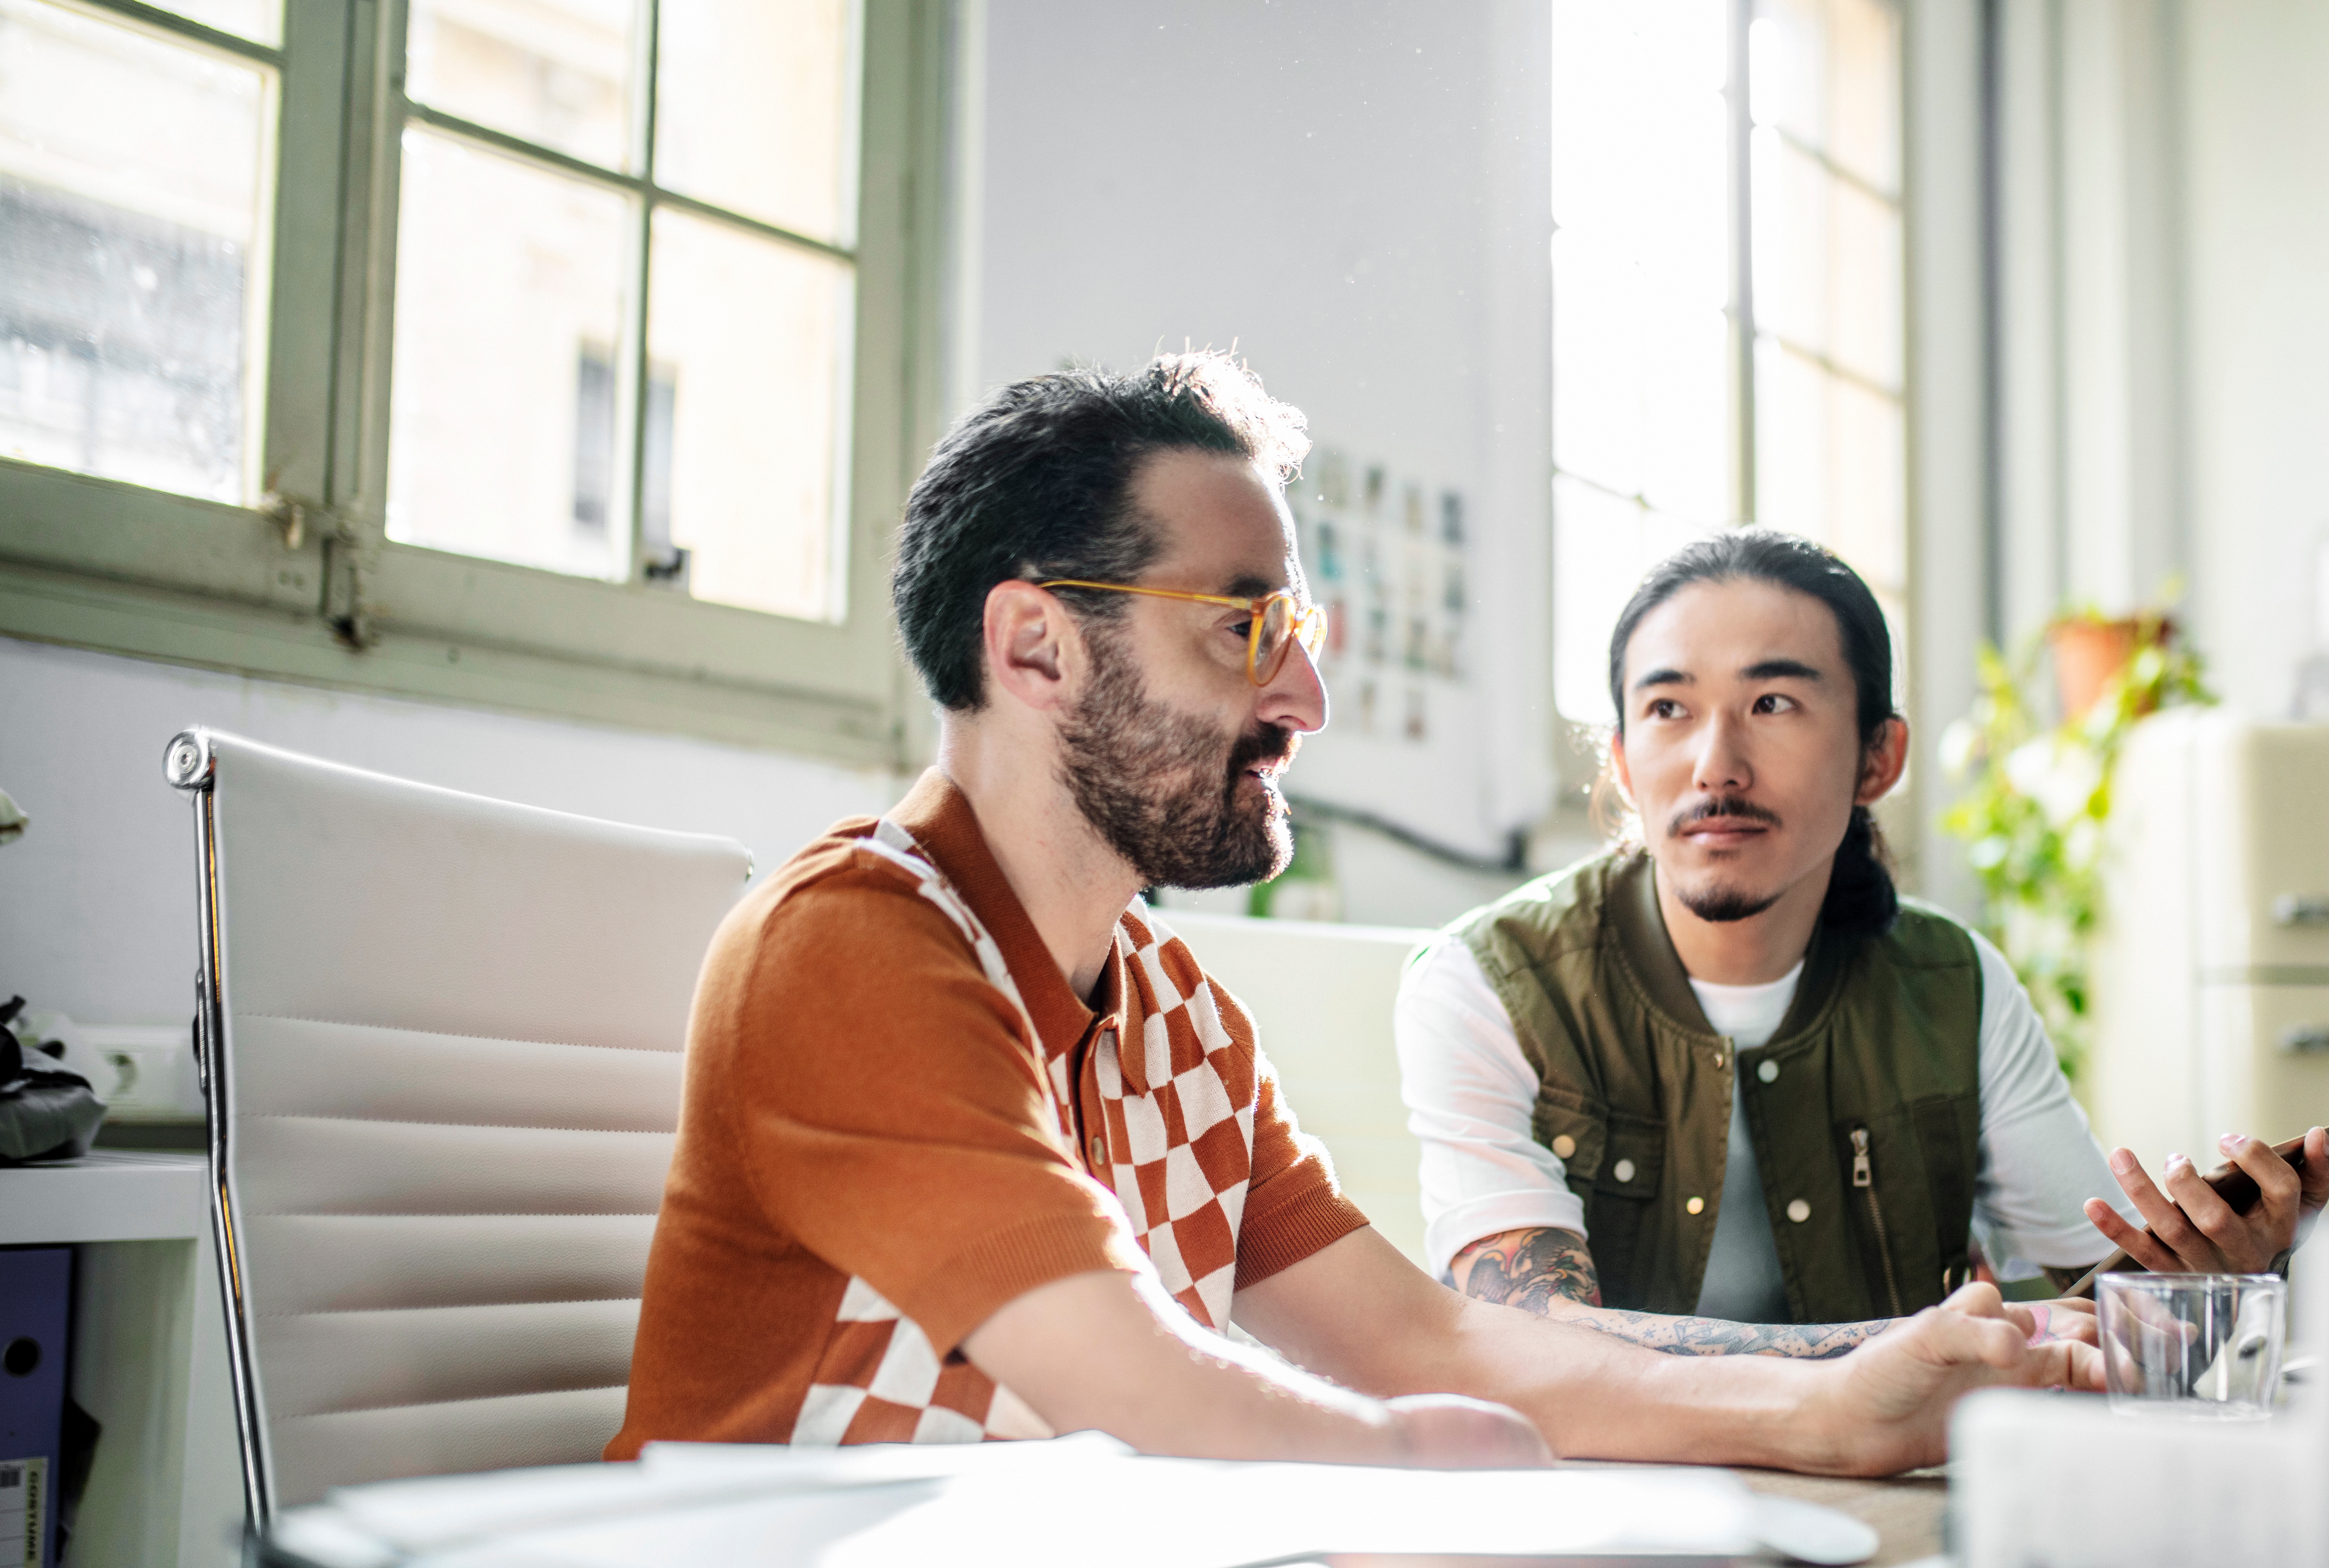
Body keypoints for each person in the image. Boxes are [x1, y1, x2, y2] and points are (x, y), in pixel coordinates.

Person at [610, 354, 2096, 1477]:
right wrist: (1435, 1476)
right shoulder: (854, 940)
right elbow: (1149, 1395)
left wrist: (1834, 1408)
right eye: (1247, 626)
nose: (1306, 698)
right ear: (1036, 646)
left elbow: (1427, 1337)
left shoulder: (1176, 1009)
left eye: (1301, 635)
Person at [1395, 528, 2329, 1357]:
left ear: (1877, 758)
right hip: (1614, 1516)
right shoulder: (1485, 983)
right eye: (1668, 709)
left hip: (1893, 1501)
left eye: (1772, 704)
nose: (1713, 764)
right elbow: (1528, 1341)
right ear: (1619, 761)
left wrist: (2215, 1278)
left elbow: (2105, 1293)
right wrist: (1920, 1351)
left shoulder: (1953, 985)